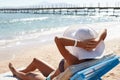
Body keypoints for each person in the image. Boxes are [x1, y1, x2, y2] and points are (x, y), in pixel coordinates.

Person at [9, 26, 107, 80]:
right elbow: (105, 30)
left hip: (50, 79)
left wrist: (80, 44)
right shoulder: (94, 58)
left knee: (30, 75)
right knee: (35, 61)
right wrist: (98, 40)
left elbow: (58, 39)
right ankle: (23, 71)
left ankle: (16, 73)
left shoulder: (72, 59)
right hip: (56, 74)